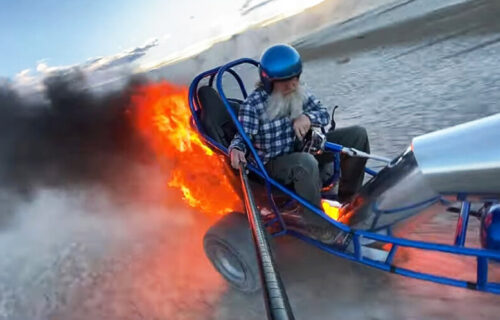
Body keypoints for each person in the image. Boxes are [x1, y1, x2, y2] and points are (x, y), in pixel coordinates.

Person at [228, 44, 370, 243]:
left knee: (357, 135)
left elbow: (322, 114)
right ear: (270, 82)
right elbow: (242, 138)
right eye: (285, 82)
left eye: (295, 78)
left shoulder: (299, 91)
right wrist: (235, 149)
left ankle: (349, 201)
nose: (292, 85)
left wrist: (307, 117)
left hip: (301, 149)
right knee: (305, 162)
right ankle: (319, 228)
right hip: (271, 166)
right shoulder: (253, 106)